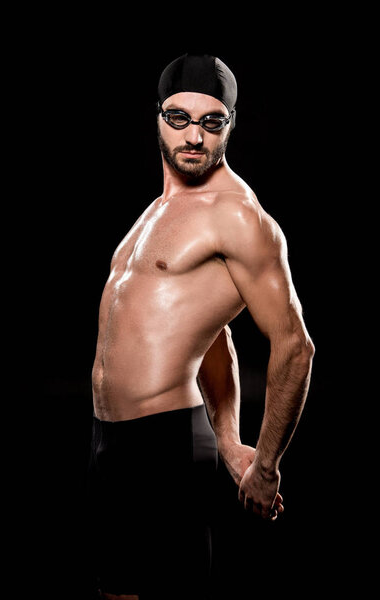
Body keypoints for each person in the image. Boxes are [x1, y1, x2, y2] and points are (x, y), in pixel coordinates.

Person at [87, 53, 315, 600]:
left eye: (212, 122)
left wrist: (264, 464)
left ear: (230, 125)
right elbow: (214, 329)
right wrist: (229, 436)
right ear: (158, 118)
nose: (194, 136)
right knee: (116, 592)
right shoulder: (157, 210)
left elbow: (295, 345)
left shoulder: (237, 215)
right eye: (180, 118)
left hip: (164, 444)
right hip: (107, 440)